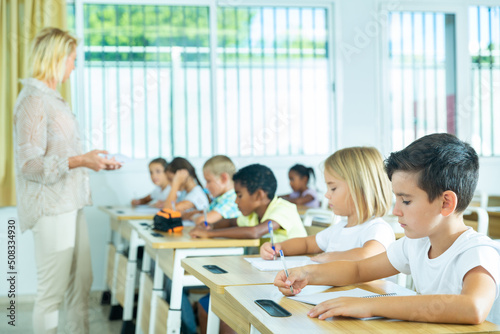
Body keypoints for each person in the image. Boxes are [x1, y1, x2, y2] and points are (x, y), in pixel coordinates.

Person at [274, 133, 500, 325]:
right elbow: (358, 271)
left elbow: (473, 307)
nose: (396, 210)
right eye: (396, 199)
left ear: (446, 203)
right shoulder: (416, 244)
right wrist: (306, 274)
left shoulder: (478, 252)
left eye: (406, 201)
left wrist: (371, 305)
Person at [13, 27, 122, 334]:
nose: (74, 65)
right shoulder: (33, 100)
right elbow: (29, 165)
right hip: (50, 208)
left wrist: (90, 158)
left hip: (71, 203)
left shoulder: (54, 99)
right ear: (57, 58)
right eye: (72, 59)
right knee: (52, 295)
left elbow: (60, 153)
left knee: (82, 283)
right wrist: (81, 160)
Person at [261, 147, 394, 263]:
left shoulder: (378, 229)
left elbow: (368, 255)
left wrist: (331, 257)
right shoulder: (339, 229)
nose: (326, 195)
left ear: (361, 190)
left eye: (333, 188)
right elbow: (307, 244)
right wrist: (278, 248)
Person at [189, 163, 307, 241]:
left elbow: (254, 232)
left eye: (239, 195)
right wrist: (211, 226)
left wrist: (209, 234)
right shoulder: (254, 214)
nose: (236, 201)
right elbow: (230, 222)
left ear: (259, 195)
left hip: (296, 269)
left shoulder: (283, 209)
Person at [193, 155, 241, 225]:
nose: (206, 187)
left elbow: (202, 221)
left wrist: (194, 217)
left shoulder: (232, 200)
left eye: (208, 181)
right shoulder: (219, 199)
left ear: (223, 178)